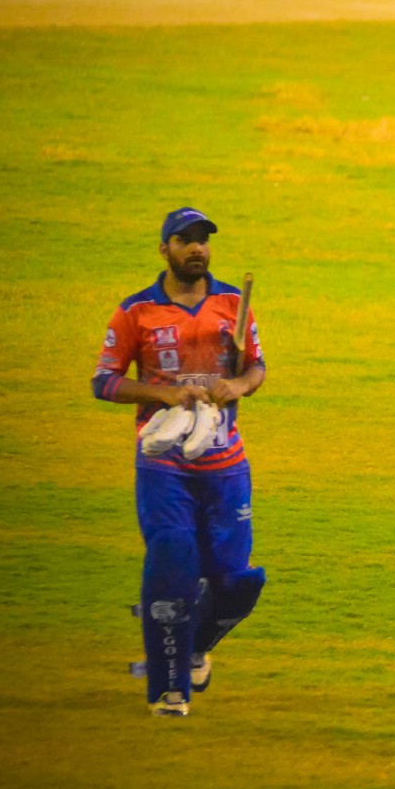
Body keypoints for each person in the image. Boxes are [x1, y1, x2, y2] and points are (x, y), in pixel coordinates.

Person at [92, 207, 268, 717]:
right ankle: (169, 690)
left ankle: (194, 648)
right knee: (172, 561)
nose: (196, 248)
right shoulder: (136, 312)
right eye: (184, 239)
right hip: (163, 464)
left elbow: (256, 366)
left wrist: (238, 385)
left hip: (226, 463)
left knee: (234, 581)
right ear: (164, 248)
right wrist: (162, 395)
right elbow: (103, 381)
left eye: (202, 240)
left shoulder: (233, 303)